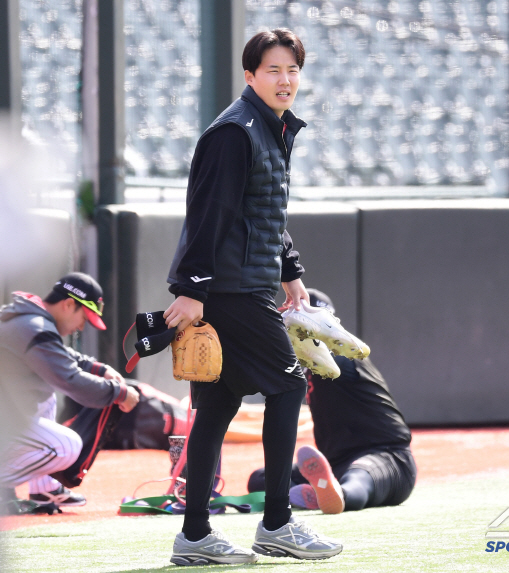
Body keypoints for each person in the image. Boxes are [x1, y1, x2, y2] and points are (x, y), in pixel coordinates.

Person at [164, 29, 342, 566]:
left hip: (249, 282)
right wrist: (190, 289)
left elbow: (263, 213)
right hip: (230, 288)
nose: (285, 80)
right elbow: (209, 213)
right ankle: (277, 525)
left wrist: (291, 274)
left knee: (217, 407)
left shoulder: (269, 129)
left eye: (292, 70)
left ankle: (194, 537)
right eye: (273, 70)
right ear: (249, 75)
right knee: (288, 384)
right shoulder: (234, 132)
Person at [248, 289, 417, 515]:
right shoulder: (306, 364)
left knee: (358, 479)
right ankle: (319, 490)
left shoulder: (344, 358)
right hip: (333, 463)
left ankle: (337, 495)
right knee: (260, 479)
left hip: (387, 456)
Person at [0, 272, 139, 511]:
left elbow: (59, 357)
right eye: (84, 317)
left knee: (45, 396)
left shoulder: (30, 319)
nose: (83, 326)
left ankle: (44, 488)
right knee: (66, 447)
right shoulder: (35, 326)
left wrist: (100, 368)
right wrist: (120, 393)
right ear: (68, 304)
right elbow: (72, 381)